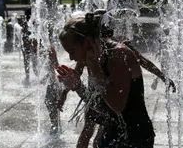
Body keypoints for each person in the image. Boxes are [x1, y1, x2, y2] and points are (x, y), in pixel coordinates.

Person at [57, 12, 156, 147]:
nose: (71, 58)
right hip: (111, 132)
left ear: (87, 42)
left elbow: (117, 106)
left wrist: (95, 68)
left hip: (134, 137)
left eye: (72, 51)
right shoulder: (93, 57)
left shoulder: (118, 54)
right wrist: (77, 87)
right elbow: (102, 107)